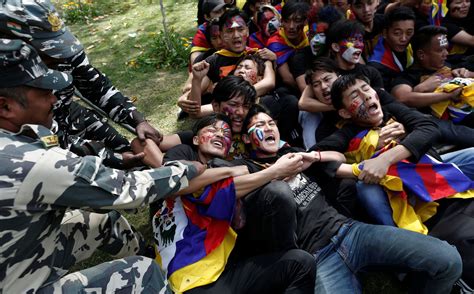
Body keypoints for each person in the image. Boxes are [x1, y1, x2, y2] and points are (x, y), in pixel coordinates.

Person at [0, 38, 203, 293]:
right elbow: (127, 190)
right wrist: (187, 169)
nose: (55, 99)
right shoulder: (32, 162)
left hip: (18, 251)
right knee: (142, 273)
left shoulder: (17, 137)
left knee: (103, 222)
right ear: (5, 106)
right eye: (43, 93)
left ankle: (153, 255)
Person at [238, 104, 463, 293]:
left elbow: (339, 160)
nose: (268, 128)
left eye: (271, 123)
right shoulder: (243, 170)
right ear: (247, 139)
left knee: (449, 261)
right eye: (259, 125)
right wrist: (274, 173)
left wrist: (314, 156)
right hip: (316, 258)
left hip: (351, 233)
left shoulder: (293, 155)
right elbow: (230, 191)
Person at [151, 114, 316, 293]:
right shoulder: (185, 169)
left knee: (300, 262)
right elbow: (179, 179)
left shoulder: (225, 170)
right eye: (213, 130)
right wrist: (273, 171)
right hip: (194, 279)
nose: (221, 135)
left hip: (228, 270)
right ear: (196, 140)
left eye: (226, 133)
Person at [0, 0, 163, 157]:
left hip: (71, 117)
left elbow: (95, 85)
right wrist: (111, 158)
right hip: (35, 145)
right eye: (43, 46)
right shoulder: (9, 80)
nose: (58, 58)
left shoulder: (61, 50)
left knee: (130, 151)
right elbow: (40, 144)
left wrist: (137, 120)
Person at [391, 25, 474, 147]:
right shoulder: (408, 77)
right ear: (421, 54)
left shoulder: (449, 65)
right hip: (443, 126)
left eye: (446, 49)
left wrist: (466, 75)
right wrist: (446, 95)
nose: (446, 54)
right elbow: (402, 98)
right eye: (440, 50)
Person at [367, 6, 416, 91]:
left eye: (409, 32)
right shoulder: (376, 66)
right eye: (397, 33)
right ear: (385, 33)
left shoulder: (414, 45)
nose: (404, 39)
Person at [326, 19, 384, 88]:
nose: (359, 45)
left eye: (360, 40)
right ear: (336, 47)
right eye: (352, 40)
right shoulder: (326, 77)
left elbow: (382, 97)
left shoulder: (371, 73)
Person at [267, 1, 311, 92]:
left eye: (297, 21)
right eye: (286, 21)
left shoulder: (309, 38)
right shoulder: (275, 42)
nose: (291, 26)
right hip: (288, 89)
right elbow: (288, 79)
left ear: (305, 22)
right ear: (281, 22)